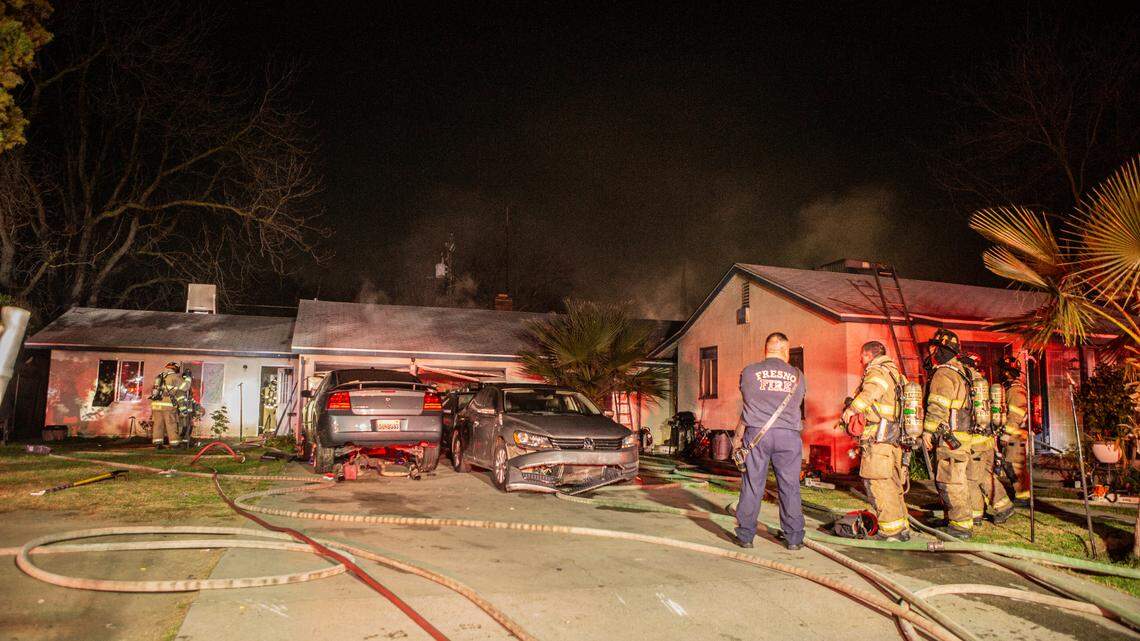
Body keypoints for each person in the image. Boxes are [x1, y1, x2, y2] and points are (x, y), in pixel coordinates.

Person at [731, 332, 807, 550]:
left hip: (756, 435)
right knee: (790, 486)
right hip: (788, 436)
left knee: (753, 484)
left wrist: (737, 437)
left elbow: (747, 407)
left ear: (767, 349)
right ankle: (793, 539)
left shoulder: (749, 372)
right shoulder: (798, 376)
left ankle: (745, 536)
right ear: (784, 350)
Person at [841, 341, 910, 541]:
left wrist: (852, 409)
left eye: (862, 356)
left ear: (869, 355)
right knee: (892, 484)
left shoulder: (877, 372)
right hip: (893, 440)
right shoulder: (895, 373)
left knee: (878, 483)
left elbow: (871, 392)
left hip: (879, 440)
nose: (860, 360)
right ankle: (900, 526)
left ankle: (890, 531)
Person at [922, 329, 977, 538]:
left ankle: (961, 526)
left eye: (935, 347)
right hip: (964, 437)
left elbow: (938, 406)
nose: (932, 352)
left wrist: (928, 431)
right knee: (958, 479)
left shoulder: (944, 373)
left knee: (951, 481)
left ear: (942, 349)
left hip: (950, 438)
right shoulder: (965, 372)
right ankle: (954, 519)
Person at [959, 352, 1014, 526]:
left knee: (972, 478)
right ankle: (999, 507)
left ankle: (979, 514)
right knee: (983, 475)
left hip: (975, 441)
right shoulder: (983, 383)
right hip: (988, 440)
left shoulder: (967, 383)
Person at [998, 355, 1031, 503]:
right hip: (1014, 433)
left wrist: (1006, 434)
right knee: (1009, 464)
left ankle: (1023, 497)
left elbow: (1016, 414)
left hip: (1015, 434)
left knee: (1015, 465)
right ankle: (1020, 495)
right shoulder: (1010, 388)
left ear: (1007, 372)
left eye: (1002, 370)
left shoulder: (1015, 389)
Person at [150, 362, 183, 449]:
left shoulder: (159, 376)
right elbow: (184, 387)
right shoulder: (174, 377)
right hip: (167, 405)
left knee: (158, 424)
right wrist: (188, 379)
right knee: (171, 423)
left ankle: (158, 444)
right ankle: (174, 444)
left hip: (156, 405)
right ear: (175, 369)